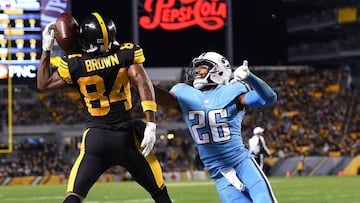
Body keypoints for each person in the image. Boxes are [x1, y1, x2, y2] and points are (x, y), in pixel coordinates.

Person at [38, 12, 172, 203]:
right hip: (127, 140)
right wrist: (151, 123)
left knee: (74, 196)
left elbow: (43, 84)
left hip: (95, 140)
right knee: (160, 194)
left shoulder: (74, 64)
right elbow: (143, 83)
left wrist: (46, 48)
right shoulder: (126, 54)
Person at [154, 52, 278, 203]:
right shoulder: (184, 93)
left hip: (241, 163)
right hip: (219, 173)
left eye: (203, 67)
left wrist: (250, 77)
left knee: (264, 200)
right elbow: (157, 96)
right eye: (197, 67)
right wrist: (138, 81)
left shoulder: (232, 91)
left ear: (219, 70)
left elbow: (269, 98)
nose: (197, 71)